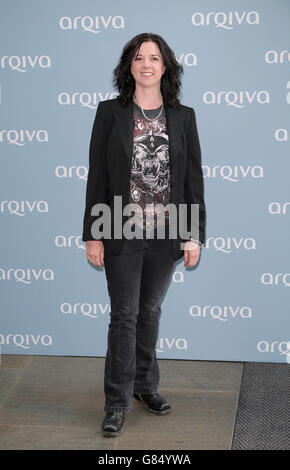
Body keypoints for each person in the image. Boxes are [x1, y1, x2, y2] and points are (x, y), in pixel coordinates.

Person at [82, 32, 206, 437]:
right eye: (139, 58)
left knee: (149, 313)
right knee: (124, 316)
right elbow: (97, 176)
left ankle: (144, 387)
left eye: (154, 58)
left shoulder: (183, 116)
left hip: (167, 231)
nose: (146, 64)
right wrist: (93, 234)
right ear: (129, 66)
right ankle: (116, 403)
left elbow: (192, 180)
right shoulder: (109, 113)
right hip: (118, 228)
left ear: (165, 66)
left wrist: (193, 234)